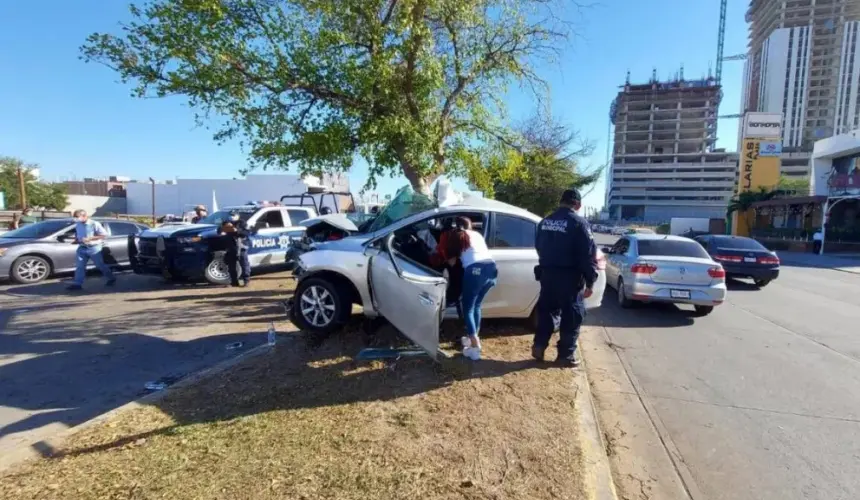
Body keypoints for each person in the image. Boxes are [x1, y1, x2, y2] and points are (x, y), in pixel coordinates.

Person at [533, 189, 598, 367]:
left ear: (561, 201)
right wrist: (590, 280)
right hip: (569, 279)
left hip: (547, 275)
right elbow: (587, 255)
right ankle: (566, 356)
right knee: (572, 316)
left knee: (546, 312)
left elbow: (538, 246)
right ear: (577, 204)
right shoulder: (579, 223)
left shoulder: (545, 221)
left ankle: (539, 346)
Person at [446, 217, 497, 361]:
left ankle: (475, 347)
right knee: (477, 305)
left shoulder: (457, 236)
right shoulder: (477, 235)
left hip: (475, 271)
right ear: (470, 225)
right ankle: (472, 336)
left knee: (467, 308)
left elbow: (451, 262)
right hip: (492, 269)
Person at [67, 209, 116, 290]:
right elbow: (78, 235)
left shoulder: (94, 224)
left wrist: (90, 238)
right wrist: (76, 240)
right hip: (82, 247)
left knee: (100, 265)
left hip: (94, 248)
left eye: (77, 217)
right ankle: (77, 284)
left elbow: (103, 235)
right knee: (80, 266)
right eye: (75, 217)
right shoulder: (78, 224)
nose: (75, 218)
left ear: (84, 216)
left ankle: (111, 278)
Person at [217, 210, 252, 287]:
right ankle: (234, 282)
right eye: (230, 215)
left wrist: (237, 231)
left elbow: (247, 233)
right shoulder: (226, 223)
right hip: (230, 247)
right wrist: (223, 230)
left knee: (244, 264)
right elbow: (219, 231)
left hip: (241, 246)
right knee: (231, 266)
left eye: (234, 215)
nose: (232, 217)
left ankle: (246, 281)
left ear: (237, 215)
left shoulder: (242, 223)